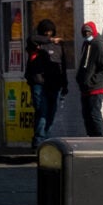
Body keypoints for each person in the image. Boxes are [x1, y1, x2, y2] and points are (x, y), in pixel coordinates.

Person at [26, 19, 67, 147]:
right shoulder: (37, 45)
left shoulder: (58, 47)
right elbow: (31, 39)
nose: (48, 34)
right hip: (39, 83)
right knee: (41, 111)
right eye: (46, 32)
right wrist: (49, 40)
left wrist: (65, 84)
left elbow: (63, 67)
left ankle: (46, 139)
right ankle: (39, 141)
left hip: (53, 84)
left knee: (51, 113)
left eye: (50, 32)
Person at [77, 21, 103, 137]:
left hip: (96, 87)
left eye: (88, 32)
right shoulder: (86, 45)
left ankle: (100, 139)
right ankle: (92, 138)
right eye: (84, 33)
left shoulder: (99, 45)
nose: (86, 34)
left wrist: (92, 80)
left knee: (94, 114)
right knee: (87, 114)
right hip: (85, 88)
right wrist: (80, 79)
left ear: (93, 31)